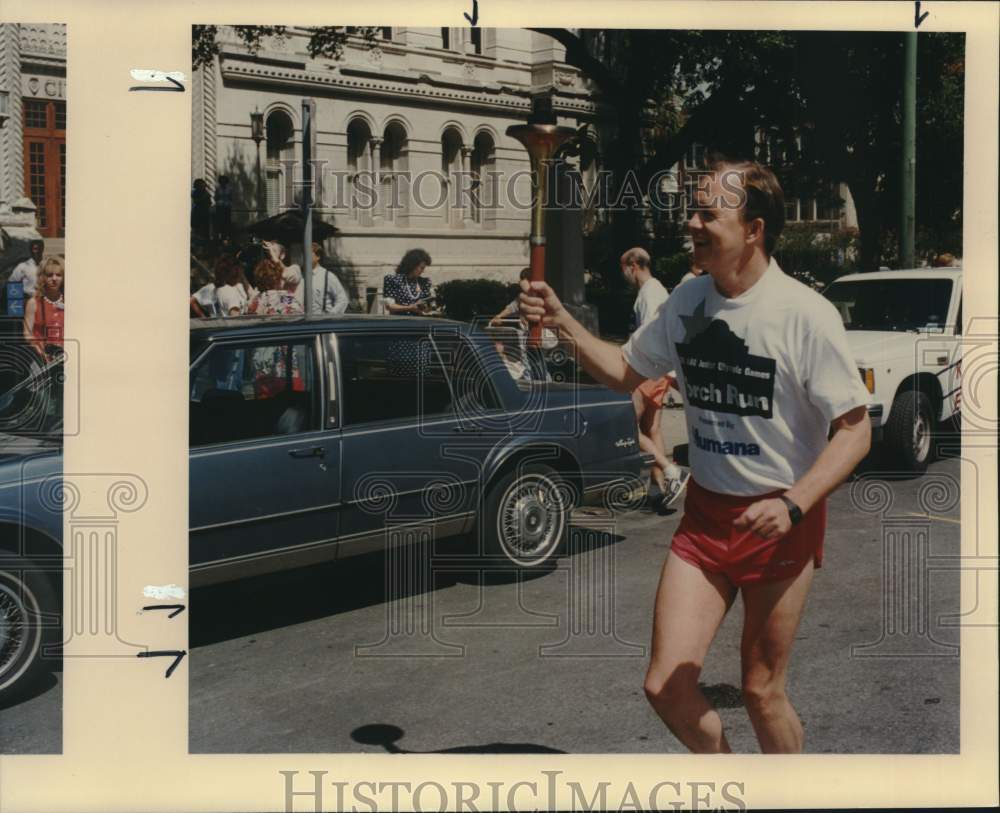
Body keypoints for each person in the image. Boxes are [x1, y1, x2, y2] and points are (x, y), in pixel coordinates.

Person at [519, 156, 871, 754]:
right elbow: (624, 370)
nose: (692, 223)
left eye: (709, 213)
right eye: (693, 210)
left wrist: (794, 504)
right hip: (706, 518)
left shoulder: (804, 314)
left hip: (778, 520)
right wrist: (562, 324)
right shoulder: (685, 300)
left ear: (754, 229)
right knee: (664, 686)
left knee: (761, 691)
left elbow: (855, 431)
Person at [621, 247, 687, 510]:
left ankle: (672, 471)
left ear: (633, 265)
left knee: (627, 426)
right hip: (659, 371)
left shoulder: (649, 293)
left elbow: (650, 338)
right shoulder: (656, 290)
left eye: (623, 268)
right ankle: (661, 488)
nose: (623, 275)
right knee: (652, 429)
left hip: (647, 370)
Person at [289, 242, 350, 314]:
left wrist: (331, 315)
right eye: (303, 254)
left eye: (308, 254)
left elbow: (342, 299)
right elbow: (293, 299)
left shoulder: (328, 276)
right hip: (302, 321)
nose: (304, 257)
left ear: (318, 257)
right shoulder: (299, 275)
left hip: (322, 322)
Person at [24, 256, 65, 361]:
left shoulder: (70, 301)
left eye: (58, 275)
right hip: (42, 358)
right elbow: (27, 334)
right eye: (50, 275)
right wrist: (38, 349)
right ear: (42, 277)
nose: (54, 279)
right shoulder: (33, 303)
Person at [384, 248, 433, 315]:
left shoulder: (424, 282)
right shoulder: (393, 280)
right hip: (400, 321)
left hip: (419, 322)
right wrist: (410, 308)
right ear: (413, 265)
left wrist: (426, 307)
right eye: (421, 268)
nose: (423, 271)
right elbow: (389, 306)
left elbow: (428, 308)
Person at [191, 179, 212, 244]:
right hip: (197, 212)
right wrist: (204, 197)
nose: (203, 186)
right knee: (197, 228)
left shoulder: (205, 192)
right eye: (201, 185)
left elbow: (209, 202)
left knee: (205, 229)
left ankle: (205, 243)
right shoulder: (194, 192)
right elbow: (196, 201)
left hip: (205, 212)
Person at [213, 175, 233, 242]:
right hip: (220, 206)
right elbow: (215, 197)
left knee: (227, 221)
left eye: (224, 181)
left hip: (227, 207)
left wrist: (228, 202)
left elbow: (231, 198)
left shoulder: (229, 188)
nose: (223, 182)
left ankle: (226, 236)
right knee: (220, 221)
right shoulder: (218, 188)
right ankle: (220, 236)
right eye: (221, 181)